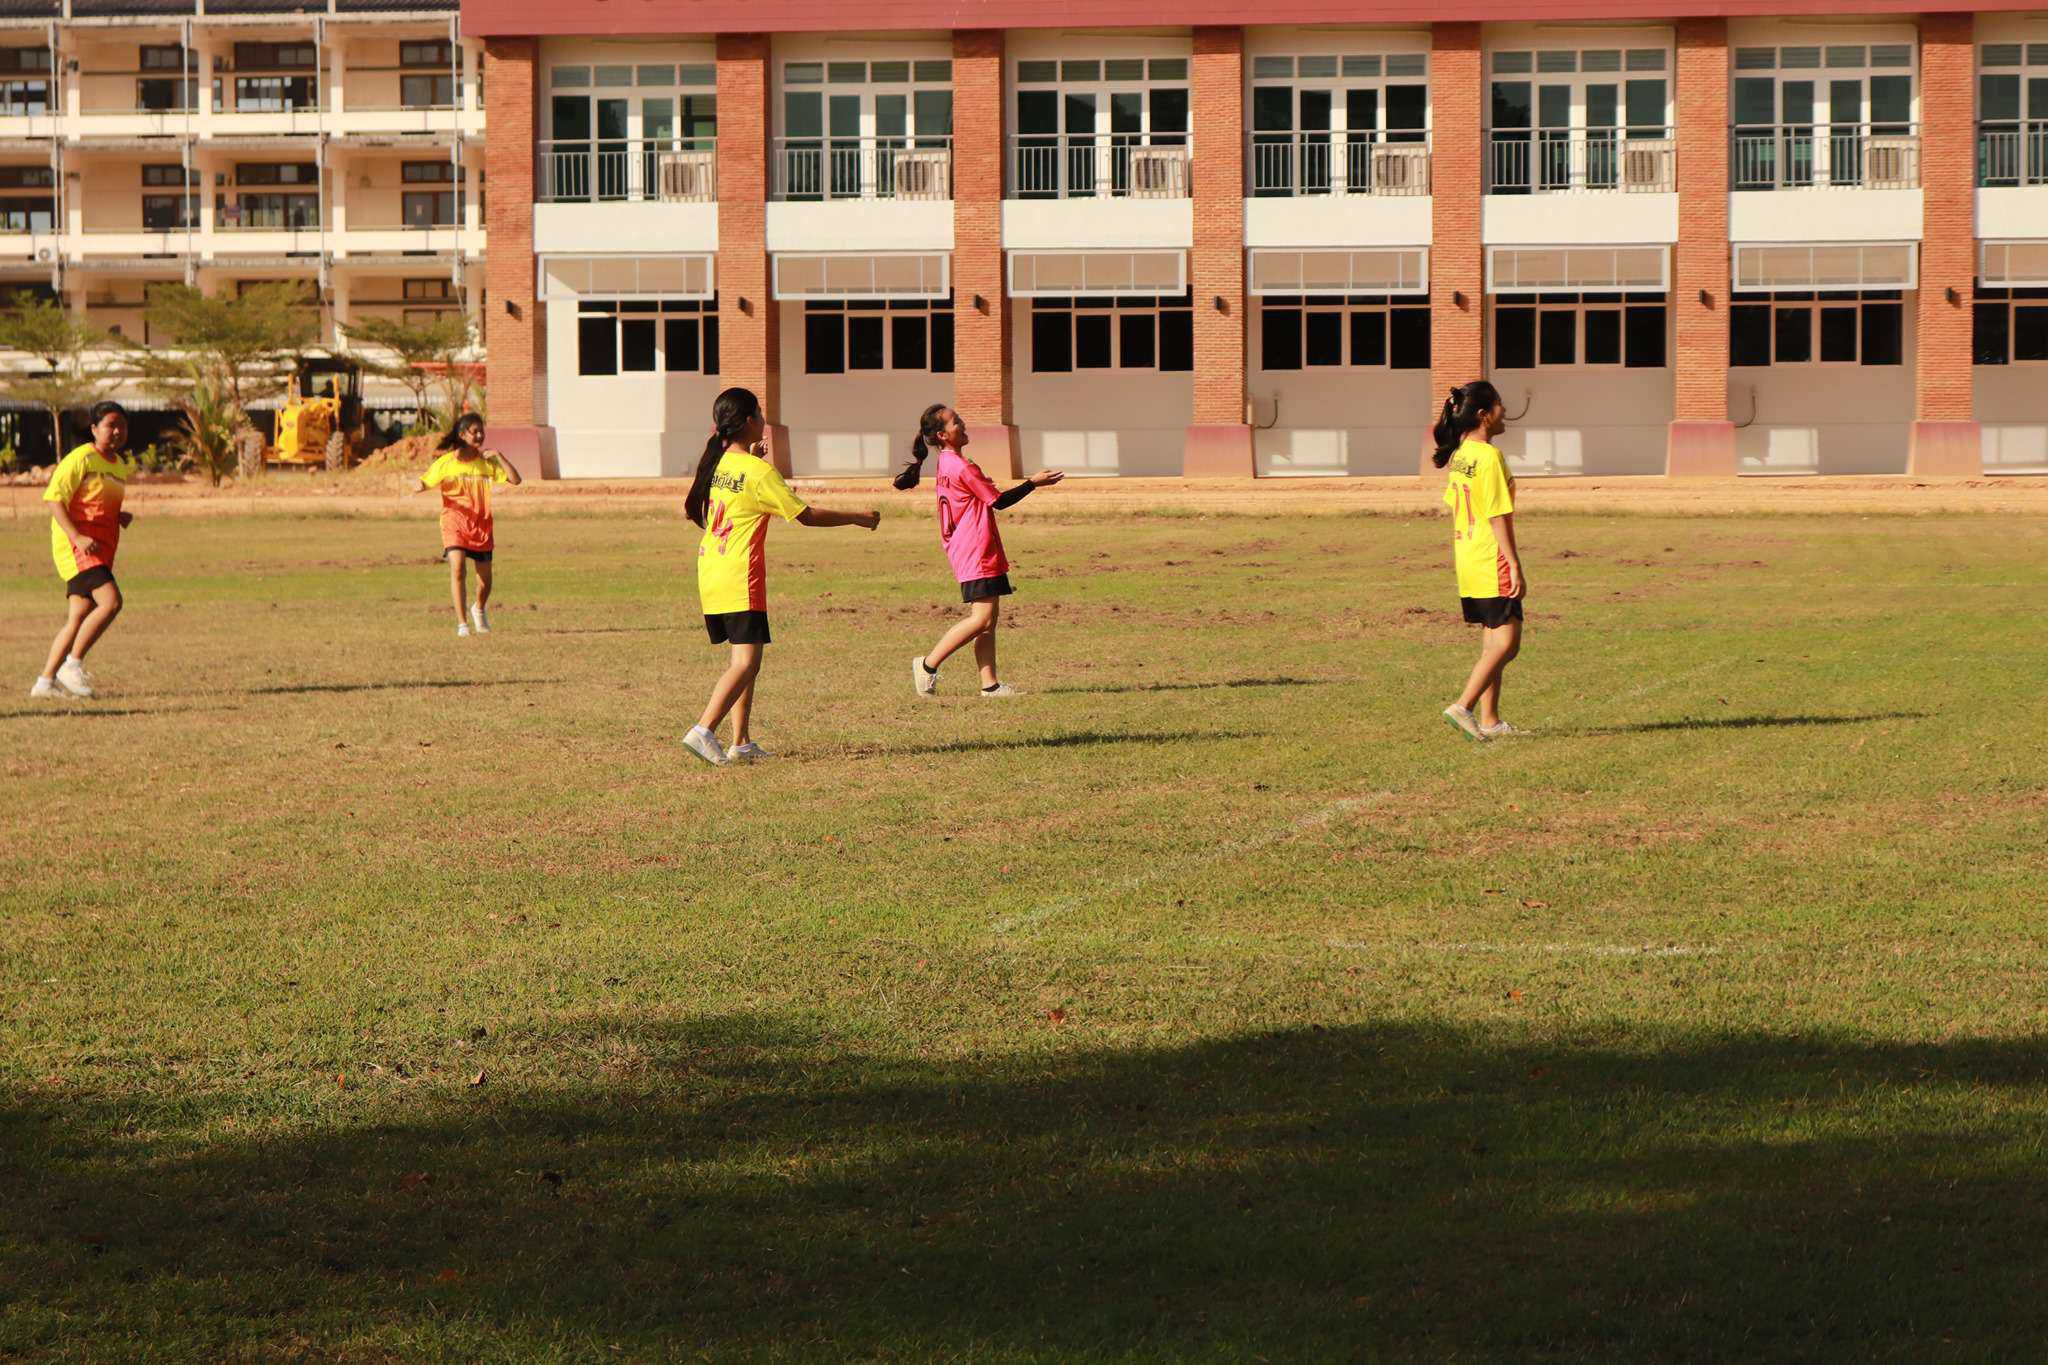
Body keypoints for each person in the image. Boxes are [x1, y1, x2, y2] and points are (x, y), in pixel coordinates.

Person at [682, 387, 879, 767]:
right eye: (759, 413)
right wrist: (857, 517)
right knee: (746, 663)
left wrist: (753, 461)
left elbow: (715, 501)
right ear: (749, 421)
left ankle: (740, 742)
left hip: (712, 569)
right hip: (740, 574)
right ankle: (703, 730)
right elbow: (805, 515)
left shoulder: (719, 462)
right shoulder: (758, 472)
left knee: (744, 659)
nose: (763, 419)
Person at [895, 404, 1062, 698]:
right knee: (981, 620)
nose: (962, 424)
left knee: (988, 622)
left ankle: (990, 685)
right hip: (976, 549)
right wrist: (1033, 483)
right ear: (942, 435)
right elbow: (998, 501)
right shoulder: (962, 466)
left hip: (971, 547)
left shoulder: (947, 462)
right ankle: (927, 664)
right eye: (955, 421)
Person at [1433, 381, 1527, 741]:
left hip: (1469, 556)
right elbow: (1497, 514)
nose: (1505, 411)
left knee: (1492, 642)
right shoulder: (1488, 456)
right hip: (1491, 556)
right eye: (1500, 404)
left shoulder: (1461, 455)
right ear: (1484, 415)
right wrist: (1513, 563)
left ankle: (1491, 720)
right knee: (1507, 644)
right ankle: (1463, 707)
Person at [31, 401, 137, 700]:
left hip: (101, 549)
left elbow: (94, 502)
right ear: (94, 429)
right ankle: (72, 664)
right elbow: (54, 498)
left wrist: (118, 516)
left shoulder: (118, 465)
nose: (117, 431)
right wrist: (76, 536)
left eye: (122, 425)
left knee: (78, 615)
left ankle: (45, 682)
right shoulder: (81, 458)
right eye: (110, 425)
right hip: (78, 549)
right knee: (111, 602)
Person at [414, 412, 519, 637]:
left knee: (485, 582)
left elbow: (516, 479)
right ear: (462, 435)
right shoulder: (446, 462)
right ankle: (462, 624)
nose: (480, 435)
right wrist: (418, 485)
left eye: (482, 431)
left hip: (481, 526)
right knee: (458, 567)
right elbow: (425, 481)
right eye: (475, 432)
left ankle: (478, 608)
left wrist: (499, 455)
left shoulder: (486, 463)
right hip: (454, 522)